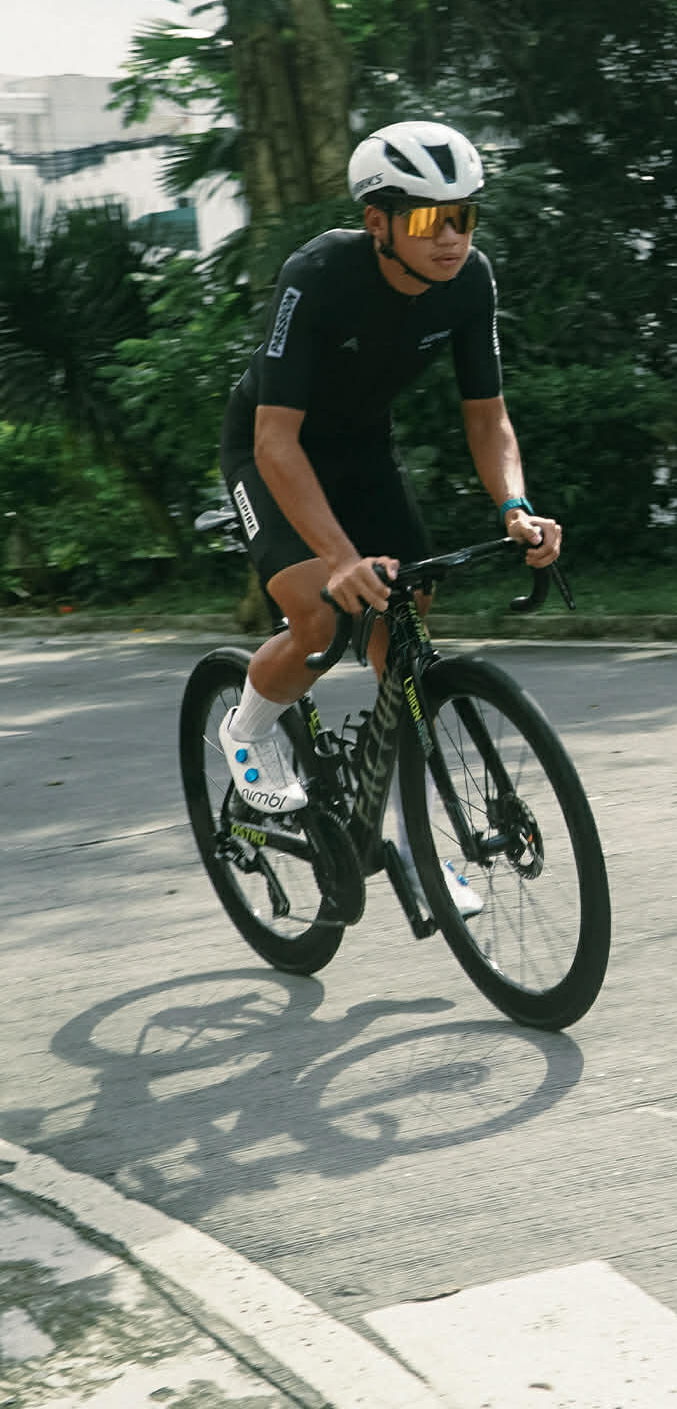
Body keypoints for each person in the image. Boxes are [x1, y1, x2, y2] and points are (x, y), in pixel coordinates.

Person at [216, 120, 563, 910]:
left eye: (464, 216)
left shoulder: (471, 282)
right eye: (425, 219)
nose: (449, 237)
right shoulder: (319, 275)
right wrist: (339, 556)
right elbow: (276, 440)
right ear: (378, 223)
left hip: (363, 451)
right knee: (318, 617)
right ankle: (248, 732)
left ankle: (409, 840)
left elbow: (487, 418)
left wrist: (516, 508)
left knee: (404, 629)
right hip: (271, 449)